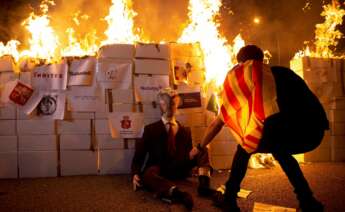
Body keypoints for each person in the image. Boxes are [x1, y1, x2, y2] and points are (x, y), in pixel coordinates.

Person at [190, 45, 329, 212]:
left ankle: (229, 199)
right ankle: (307, 200)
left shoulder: (251, 80)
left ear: (242, 64)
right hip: (313, 132)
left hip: (296, 132)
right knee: (280, 148)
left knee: (245, 146)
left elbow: (217, 123)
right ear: (262, 60)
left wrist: (199, 147)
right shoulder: (283, 72)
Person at [131, 88, 214, 210]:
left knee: (202, 148)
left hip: (180, 167)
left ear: (177, 106)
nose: (170, 106)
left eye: (173, 103)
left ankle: (204, 186)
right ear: (160, 105)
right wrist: (135, 173)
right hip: (159, 170)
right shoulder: (150, 129)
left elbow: (188, 155)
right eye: (166, 103)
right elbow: (139, 156)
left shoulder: (185, 131)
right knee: (148, 174)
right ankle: (176, 193)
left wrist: (194, 156)